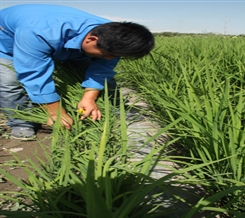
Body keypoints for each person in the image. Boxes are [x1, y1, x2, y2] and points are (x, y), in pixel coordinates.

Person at [0, 4, 155, 140]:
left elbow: (102, 69)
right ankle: (20, 123)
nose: (110, 58)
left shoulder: (114, 41)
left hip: (64, 42)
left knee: (106, 78)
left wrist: (89, 98)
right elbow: (34, 74)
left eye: (114, 55)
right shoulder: (39, 31)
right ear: (91, 39)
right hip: (8, 43)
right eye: (107, 54)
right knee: (9, 81)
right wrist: (55, 113)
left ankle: (115, 109)